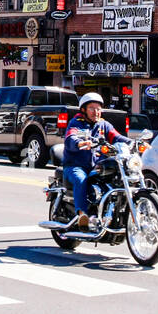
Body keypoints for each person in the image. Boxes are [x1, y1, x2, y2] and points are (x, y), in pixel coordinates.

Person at [61, 92, 131, 229]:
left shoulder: (104, 125)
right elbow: (71, 137)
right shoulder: (76, 123)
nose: (96, 112)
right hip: (76, 166)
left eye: (98, 108)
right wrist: (80, 143)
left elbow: (117, 137)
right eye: (92, 108)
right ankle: (82, 215)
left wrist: (134, 143)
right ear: (84, 110)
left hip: (97, 166)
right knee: (81, 179)